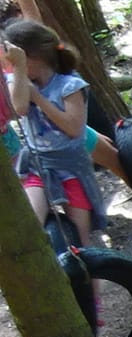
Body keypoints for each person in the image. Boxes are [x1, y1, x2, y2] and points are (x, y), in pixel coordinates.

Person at [4, 19, 106, 248]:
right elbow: (19, 109)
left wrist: (39, 98)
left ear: (32, 57)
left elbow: (73, 128)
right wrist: (19, 71)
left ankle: (92, 283)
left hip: (72, 168)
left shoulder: (69, 86)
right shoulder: (18, 80)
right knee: (30, 226)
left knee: (83, 241)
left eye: (14, 59)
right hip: (37, 165)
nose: (8, 65)